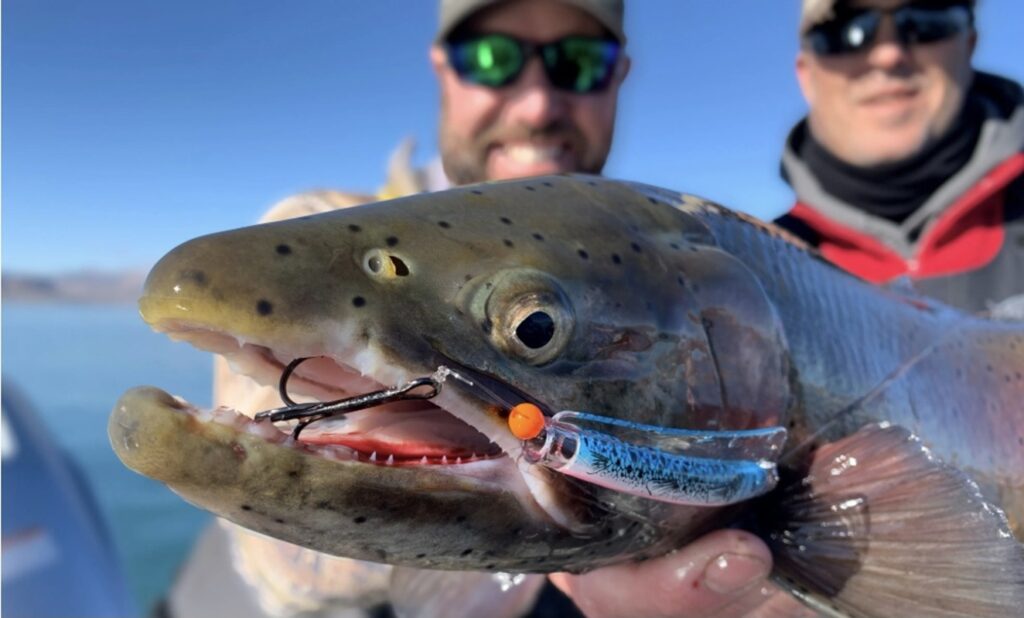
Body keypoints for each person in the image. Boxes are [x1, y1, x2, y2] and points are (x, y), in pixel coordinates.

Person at [163, 2, 794, 617]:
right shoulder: (311, 226)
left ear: (619, 76)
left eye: (577, 63)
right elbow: (285, 574)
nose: (538, 104)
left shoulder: (668, 265)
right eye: (493, 59)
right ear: (443, 68)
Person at [776, 0, 1024, 313]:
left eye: (925, 20)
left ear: (968, 44)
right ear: (807, 75)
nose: (887, 54)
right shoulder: (750, 276)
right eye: (846, 29)